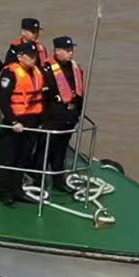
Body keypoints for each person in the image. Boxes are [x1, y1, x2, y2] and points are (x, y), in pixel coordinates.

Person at [0, 45, 47, 205]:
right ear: (20, 56)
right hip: (15, 122)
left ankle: (17, 189)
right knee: (7, 158)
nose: (33, 59)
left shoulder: (37, 72)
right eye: (29, 56)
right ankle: (4, 192)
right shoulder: (10, 73)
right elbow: (3, 100)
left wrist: (42, 121)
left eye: (34, 56)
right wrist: (13, 121)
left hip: (32, 121)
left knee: (23, 158)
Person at [43, 36, 87, 193]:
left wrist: (77, 113)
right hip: (54, 115)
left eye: (71, 50)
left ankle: (58, 180)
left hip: (70, 116)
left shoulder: (75, 68)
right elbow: (45, 96)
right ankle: (38, 179)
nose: (71, 53)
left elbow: (79, 92)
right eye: (67, 50)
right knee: (46, 148)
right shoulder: (47, 70)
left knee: (61, 150)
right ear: (57, 51)